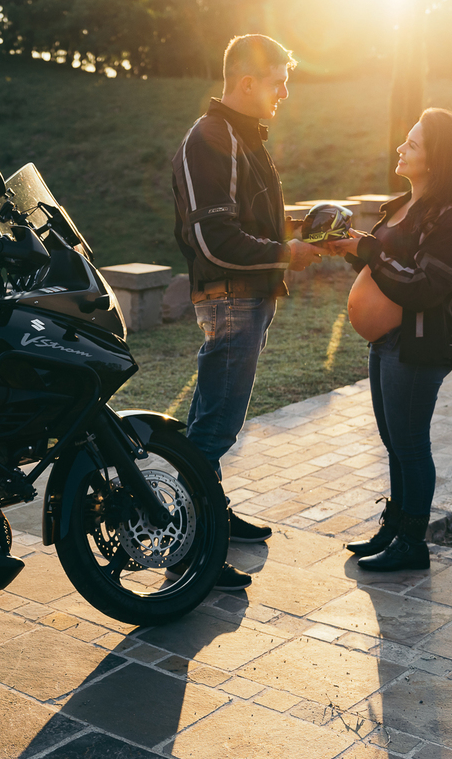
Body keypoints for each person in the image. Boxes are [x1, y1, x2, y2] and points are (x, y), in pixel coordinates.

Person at [171, 34, 327, 591]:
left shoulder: (240, 136)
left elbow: (247, 222)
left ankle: (210, 511)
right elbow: (213, 238)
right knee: (214, 426)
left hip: (247, 296)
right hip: (231, 296)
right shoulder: (210, 137)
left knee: (211, 416)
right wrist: (286, 253)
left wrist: (301, 238)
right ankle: (192, 546)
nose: (285, 91)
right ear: (246, 83)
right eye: (279, 80)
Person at [327, 108, 452, 572]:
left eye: (413, 144)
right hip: (387, 341)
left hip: (419, 346)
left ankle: (412, 543)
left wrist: (369, 250)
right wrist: (348, 247)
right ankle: (395, 526)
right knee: (394, 439)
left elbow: (421, 285)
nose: (401, 148)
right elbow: (384, 270)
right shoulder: (404, 206)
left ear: (438, 159)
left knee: (411, 443)